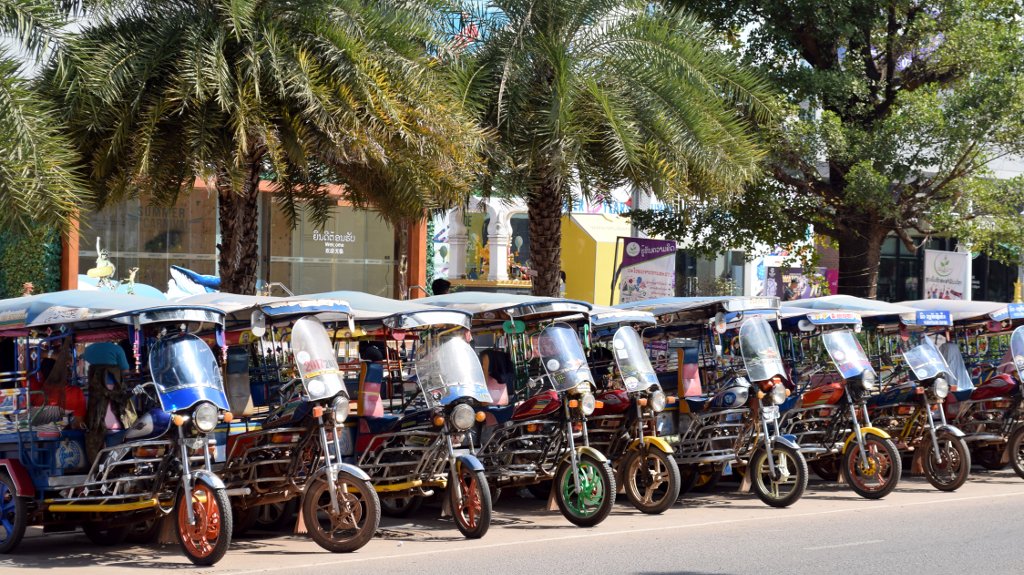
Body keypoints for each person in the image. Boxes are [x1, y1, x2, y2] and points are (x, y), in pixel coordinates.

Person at [84, 341, 133, 461]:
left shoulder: (88, 350)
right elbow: (126, 372)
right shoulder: (117, 349)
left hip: (96, 424)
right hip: (116, 425)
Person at [28, 350, 86, 428]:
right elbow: (78, 424)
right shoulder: (76, 393)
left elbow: (27, 355)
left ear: (41, 373)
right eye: (68, 367)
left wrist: (52, 355)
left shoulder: (34, 389)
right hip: (65, 436)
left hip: (37, 434)